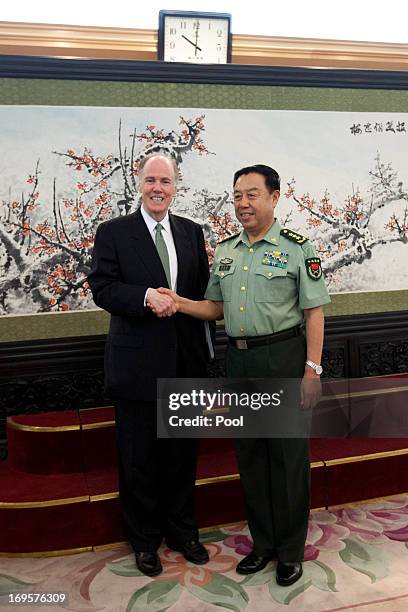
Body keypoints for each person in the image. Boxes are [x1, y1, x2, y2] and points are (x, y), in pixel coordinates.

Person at [157, 164, 330, 586]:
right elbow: (214, 308)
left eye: (252, 194)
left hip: (283, 360)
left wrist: (312, 370)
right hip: (240, 361)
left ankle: (290, 551)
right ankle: (264, 544)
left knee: (288, 460)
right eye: (237, 195)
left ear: (274, 197)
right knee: (251, 458)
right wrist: (179, 302)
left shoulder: (298, 249)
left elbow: (314, 312)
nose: (242, 203)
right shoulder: (227, 250)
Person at [87, 153, 210, 577]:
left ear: (177, 186)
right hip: (136, 367)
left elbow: (199, 295)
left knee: (181, 455)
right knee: (139, 459)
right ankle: (144, 540)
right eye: (151, 180)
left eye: (167, 181)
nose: (158, 188)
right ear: (139, 182)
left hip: (187, 363)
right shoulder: (114, 232)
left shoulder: (193, 233)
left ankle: (182, 531)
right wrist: (144, 297)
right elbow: (102, 288)